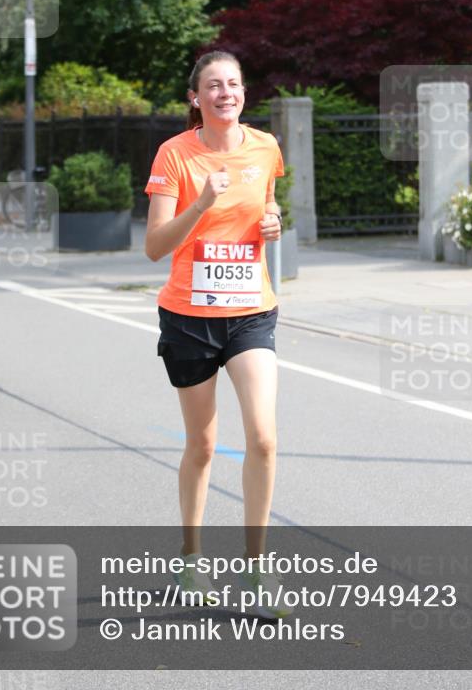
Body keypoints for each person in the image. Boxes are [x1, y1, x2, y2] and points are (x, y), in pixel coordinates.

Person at [144, 50, 292, 618]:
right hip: (188, 317)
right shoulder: (175, 155)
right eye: (213, 85)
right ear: (195, 98)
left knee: (263, 437)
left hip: (251, 310)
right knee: (203, 445)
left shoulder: (265, 148)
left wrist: (274, 222)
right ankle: (191, 556)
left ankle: (256, 570)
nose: (224, 92)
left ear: (243, 93)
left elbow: (268, 206)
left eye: (233, 83)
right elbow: (156, 246)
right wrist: (202, 204)